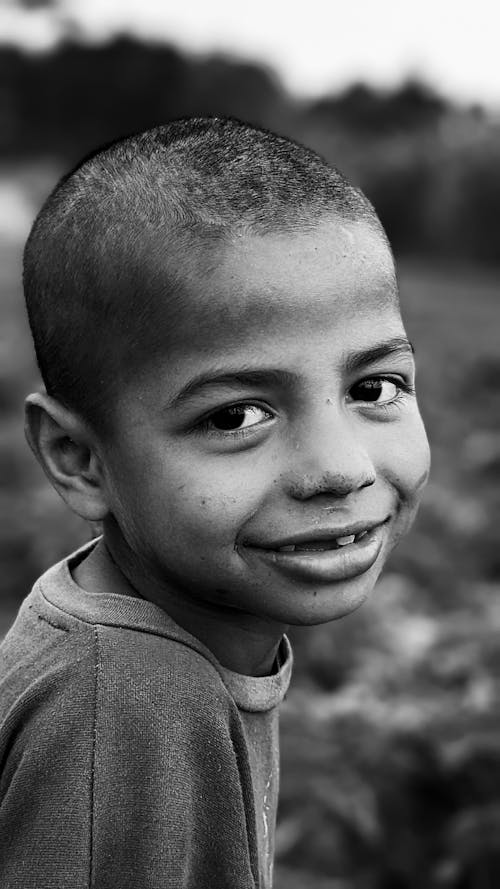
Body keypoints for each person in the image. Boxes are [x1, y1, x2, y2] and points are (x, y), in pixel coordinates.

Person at [0, 117, 430, 888]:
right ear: (79, 458)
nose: (338, 468)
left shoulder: (147, 638)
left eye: (375, 388)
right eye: (234, 416)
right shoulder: (135, 704)